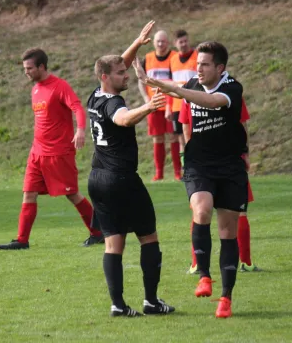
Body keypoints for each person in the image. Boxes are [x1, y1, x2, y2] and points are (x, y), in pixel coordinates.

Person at [135, 41, 246, 318]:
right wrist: (142, 68)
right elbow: (181, 111)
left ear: (220, 68)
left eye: (205, 64)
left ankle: (226, 298)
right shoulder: (193, 85)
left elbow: (211, 101)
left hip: (230, 167)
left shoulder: (232, 87)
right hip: (199, 165)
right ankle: (205, 275)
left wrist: (174, 88)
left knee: (227, 233)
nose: (199, 69)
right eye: (197, 64)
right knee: (202, 208)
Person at [87, 21, 176, 317]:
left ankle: (118, 305)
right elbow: (123, 119)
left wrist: (137, 43)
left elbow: (117, 64)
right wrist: (149, 107)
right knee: (148, 237)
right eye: (122, 74)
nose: (126, 75)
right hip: (121, 180)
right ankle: (151, 301)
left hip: (97, 179)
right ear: (106, 77)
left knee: (113, 245)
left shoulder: (95, 95)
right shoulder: (113, 103)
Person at [0, 48, 104, 250]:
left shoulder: (59, 86)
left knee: (72, 194)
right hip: (37, 153)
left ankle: (98, 233)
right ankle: (22, 240)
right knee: (28, 193)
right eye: (24, 68)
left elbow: (77, 108)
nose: (26, 72)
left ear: (41, 67)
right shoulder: (35, 89)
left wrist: (80, 130)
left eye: (29, 68)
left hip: (58, 152)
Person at [179, 98, 261, 274]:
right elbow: (242, 125)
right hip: (220, 161)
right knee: (232, 211)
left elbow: (186, 126)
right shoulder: (228, 92)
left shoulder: (192, 94)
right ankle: (244, 262)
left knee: (203, 211)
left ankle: (198, 264)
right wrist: (245, 152)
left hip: (218, 161)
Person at [137, 30, 181, 181]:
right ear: (154, 43)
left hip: (172, 103)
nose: (161, 44)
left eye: (163, 41)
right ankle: (159, 174)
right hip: (154, 105)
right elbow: (141, 80)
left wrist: (171, 101)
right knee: (157, 138)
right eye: (158, 41)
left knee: (175, 137)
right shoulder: (148, 58)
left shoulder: (174, 57)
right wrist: (145, 98)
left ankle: (177, 172)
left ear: (168, 42)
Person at [169, 30, 198, 162]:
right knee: (181, 139)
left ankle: (198, 166)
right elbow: (171, 85)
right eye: (181, 42)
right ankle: (185, 169)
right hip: (177, 105)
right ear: (175, 44)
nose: (184, 44)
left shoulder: (198, 56)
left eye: (186, 41)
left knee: (195, 137)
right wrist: (169, 107)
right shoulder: (173, 60)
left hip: (194, 103)